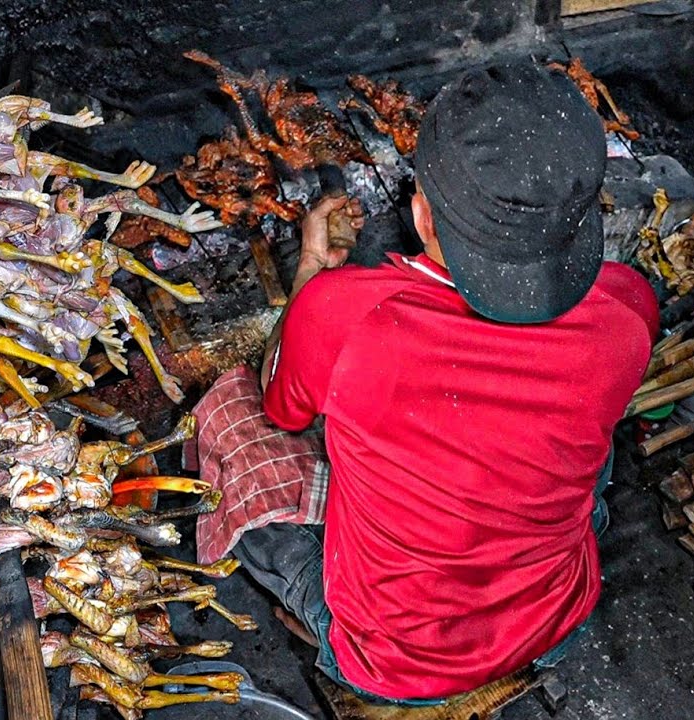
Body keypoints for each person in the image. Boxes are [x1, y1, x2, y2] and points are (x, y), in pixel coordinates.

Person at [187, 60, 658, 703]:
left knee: (229, 416)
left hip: (399, 668)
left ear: (422, 215)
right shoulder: (629, 307)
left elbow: (283, 412)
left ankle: (323, 630)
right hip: (557, 621)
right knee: (587, 458)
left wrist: (313, 273)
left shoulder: (345, 313)